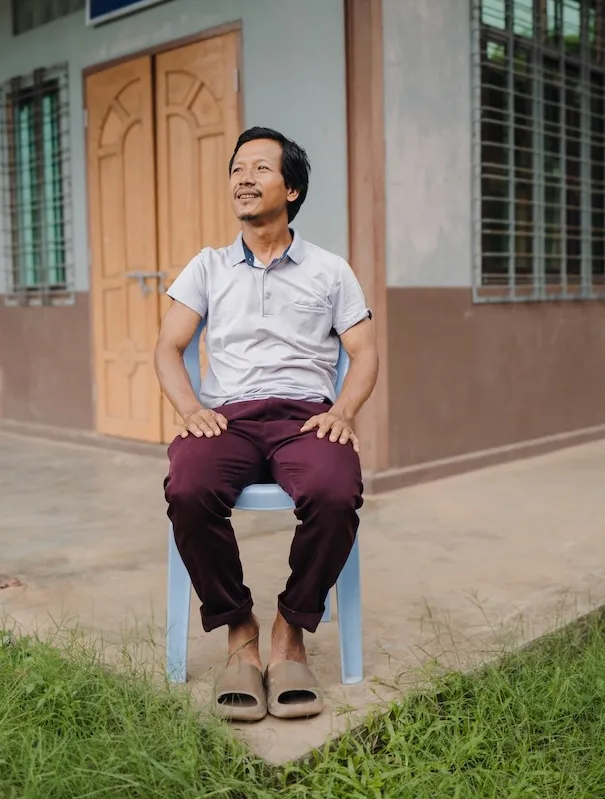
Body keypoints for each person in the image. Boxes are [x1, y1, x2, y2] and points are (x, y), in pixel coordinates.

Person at [155, 127, 379, 722]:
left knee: (336, 491)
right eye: (236, 170)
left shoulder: (330, 270)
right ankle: (239, 630)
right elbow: (167, 348)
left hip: (305, 419)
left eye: (260, 168)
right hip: (226, 418)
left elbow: (365, 354)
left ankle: (290, 629)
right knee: (188, 487)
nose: (243, 178)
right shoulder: (206, 267)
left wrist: (342, 412)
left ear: (294, 189)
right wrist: (191, 410)